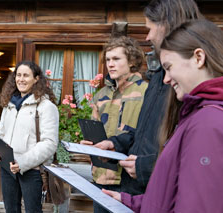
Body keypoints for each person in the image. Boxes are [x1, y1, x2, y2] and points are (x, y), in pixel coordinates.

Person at [103, 19, 223, 213]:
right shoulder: (196, 115)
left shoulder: (207, 124)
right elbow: (175, 197)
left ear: (199, 58)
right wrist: (130, 201)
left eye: (169, 67)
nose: (166, 79)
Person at [93, 0, 203, 196]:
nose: (148, 36)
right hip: (136, 190)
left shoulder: (186, 80)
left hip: (159, 191)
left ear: (168, 26)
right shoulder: (158, 77)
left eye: (150, 29)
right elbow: (143, 133)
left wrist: (146, 167)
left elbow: (190, 152)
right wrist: (114, 145)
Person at [81, 36, 148, 212]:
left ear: (132, 60)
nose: (110, 64)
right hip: (100, 177)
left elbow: (150, 138)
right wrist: (87, 145)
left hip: (130, 182)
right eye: (108, 59)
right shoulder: (101, 95)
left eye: (116, 59)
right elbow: (95, 135)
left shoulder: (147, 92)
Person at [0, 61, 59, 213]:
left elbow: (50, 143)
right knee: (11, 210)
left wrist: (22, 162)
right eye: (18, 75)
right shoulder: (9, 105)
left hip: (32, 170)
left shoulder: (46, 107)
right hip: (7, 169)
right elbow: (1, 134)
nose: (21, 79)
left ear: (36, 79)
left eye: (26, 75)